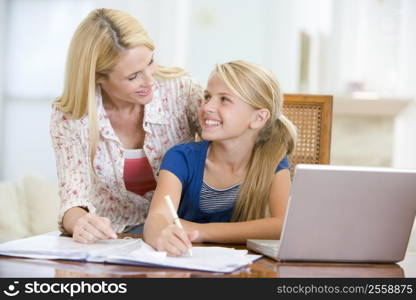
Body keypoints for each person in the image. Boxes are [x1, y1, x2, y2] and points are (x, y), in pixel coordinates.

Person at [50, 8, 203, 243]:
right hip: (114, 239)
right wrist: (80, 222)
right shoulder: (71, 116)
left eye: (150, 62)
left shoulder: (182, 91)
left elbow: (230, 145)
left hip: (183, 231)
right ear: (98, 77)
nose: (150, 81)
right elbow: (73, 200)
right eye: (133, 77)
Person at [144, 60, 297, 256]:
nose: (207, 106)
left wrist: (201, 231)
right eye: (207, 97)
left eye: (224, 99)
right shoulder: (181, 157)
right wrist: (160, 234)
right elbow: (157, 218)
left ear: (258, 118)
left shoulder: (273, 160)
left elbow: (282, 225)